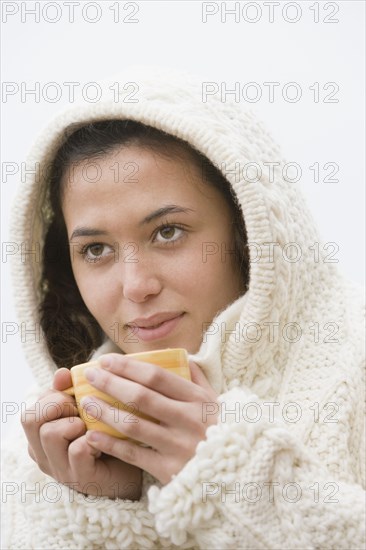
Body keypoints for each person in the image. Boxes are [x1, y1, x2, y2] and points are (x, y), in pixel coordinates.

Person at [2, 66, 365, 549]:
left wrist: (229, 477)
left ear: (247, 230)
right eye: (96, 249)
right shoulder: (39, 454)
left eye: (167, 232)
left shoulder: (352, 369)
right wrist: (113, 505)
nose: (136, 286)